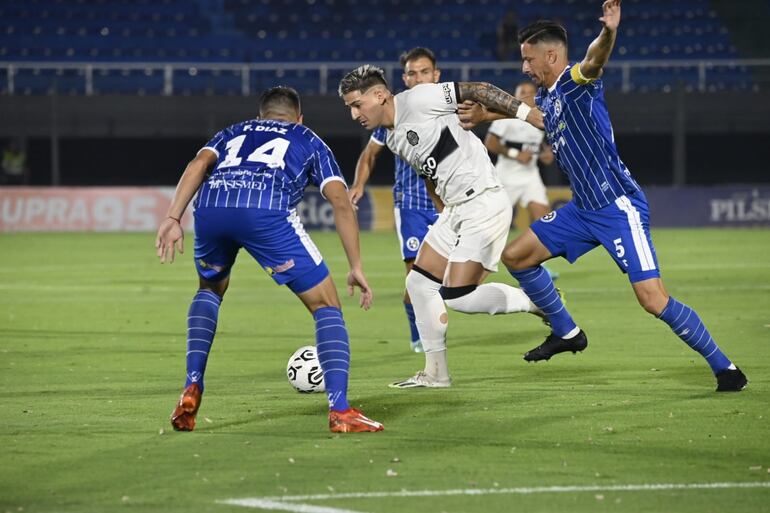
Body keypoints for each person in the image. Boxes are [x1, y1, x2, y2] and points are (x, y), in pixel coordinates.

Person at [458, 0, 747, 392]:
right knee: (517, 257)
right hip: (582, 210)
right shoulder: (547, 97)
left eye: (528, 60)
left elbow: (594, 62)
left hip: (617, 207)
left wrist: (609, 32)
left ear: (552, 55)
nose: (524, 68)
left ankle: (725, 368)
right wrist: (485, 117)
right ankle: (566, 331)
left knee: (652, 299)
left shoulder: (576, 84)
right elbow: (537, 117)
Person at [155, 86, 384, 433]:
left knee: (209, 289)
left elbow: (198, 164)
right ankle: (340, 411)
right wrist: (355, 266)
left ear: (260, 115)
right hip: (265, 212)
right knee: (326, 306)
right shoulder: (307, 138)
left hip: (211, 209)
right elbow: (340, 201)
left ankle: (192, 384)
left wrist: (173, 217)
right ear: (299, 117)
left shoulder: (231, 131)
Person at [339, 65, 545, 389]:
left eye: (356, 105)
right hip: (455, 210)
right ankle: (436, 373)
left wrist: (526, 113)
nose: (353, 115)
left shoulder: (420, 98)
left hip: (483, 200)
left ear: (379, 95)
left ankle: (537, 301)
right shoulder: (393, 137)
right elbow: (429, 170)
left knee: (458, 296)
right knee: (419, 286)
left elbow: (478, 89)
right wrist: (441, 207)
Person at [349, 47, 443, 354]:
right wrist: (359, 184)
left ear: (436, 75)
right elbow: (369, 154)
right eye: (412, 73)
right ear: (404, 78)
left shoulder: (445, 107)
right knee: (417, 279)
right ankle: (419, 335)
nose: (418, 78)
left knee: (462, 278)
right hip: (413, 206)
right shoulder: (393, 111)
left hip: (449, 203)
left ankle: (530, 284)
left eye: (424, 72)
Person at [483, 80, 559, 280]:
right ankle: (480, 264)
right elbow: (490, 142)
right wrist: (516, 154)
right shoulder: (505, 117)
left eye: (529, 92)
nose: (524, 95)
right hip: (506, 177)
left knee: (544, 221)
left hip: (530, 176)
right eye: (521, 92)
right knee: (493, 225)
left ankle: (537, 265)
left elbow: (540, 146)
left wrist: (547, 154)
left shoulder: (541, 118)